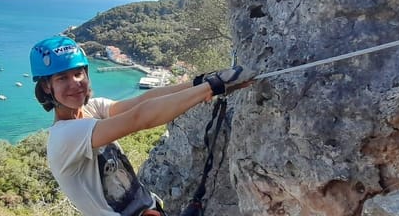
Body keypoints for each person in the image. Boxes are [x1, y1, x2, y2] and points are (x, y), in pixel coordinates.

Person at [29, 36, 255, 216]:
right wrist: (213, 86)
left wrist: (201, 82)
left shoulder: (92, 110)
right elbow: (139, 118)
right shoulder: (65, 137)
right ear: (47, 87)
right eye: (62, 78)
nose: (75, 83)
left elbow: (142, 101)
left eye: (78, 74)